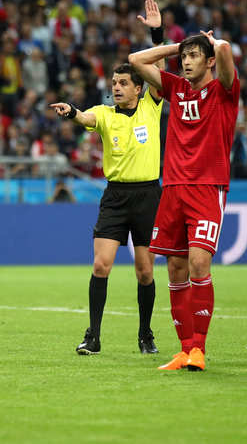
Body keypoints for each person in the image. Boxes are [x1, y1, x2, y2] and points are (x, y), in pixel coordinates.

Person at [129, 20, 240, 371]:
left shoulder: (225, 90)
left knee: (198, 263)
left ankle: (200, 350)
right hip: (173, 188)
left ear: (208, 61)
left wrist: (213, 44)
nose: (186, 62)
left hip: (207, 188)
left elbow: (223, 51)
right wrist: (176, 47)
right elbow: (136, 60)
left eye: (193, 56)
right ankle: (184, 349)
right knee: (175, 268)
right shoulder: (176, 88)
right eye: (184, 57)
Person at [51, 61, 163, 355]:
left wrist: (156, 35)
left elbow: (159, 72)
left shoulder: (151, 106)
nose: (116, 87)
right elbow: (86, 118)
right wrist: (72, 112)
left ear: (139, 89)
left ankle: (145, 334)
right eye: (114, 82)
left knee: (145, 273)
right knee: (101, 266)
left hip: (148, 196)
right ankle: (93, 337)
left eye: (124, 82)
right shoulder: (105, 114)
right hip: (115, 196)